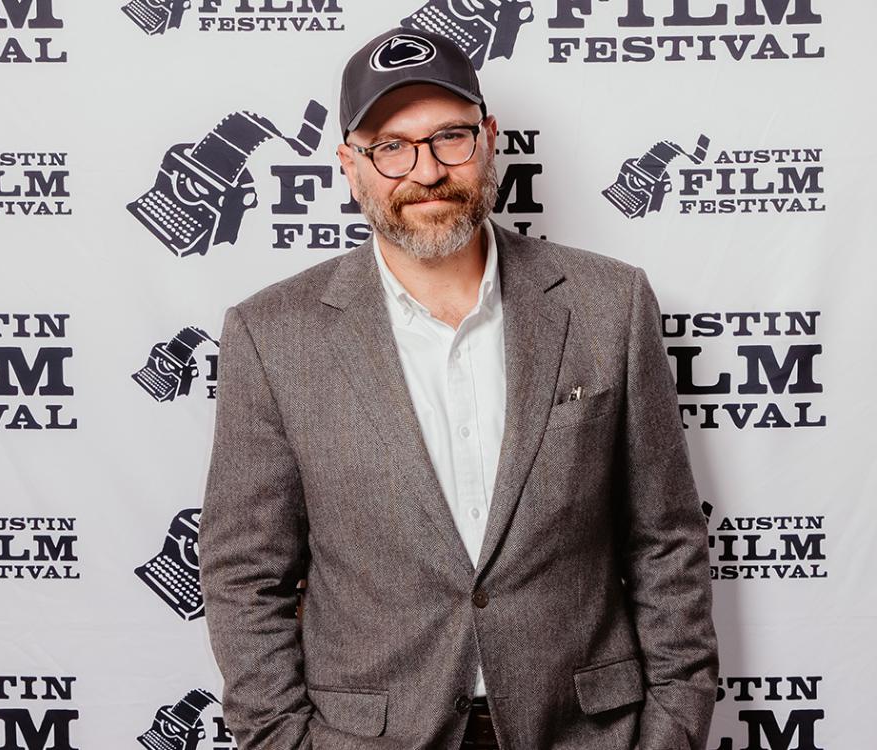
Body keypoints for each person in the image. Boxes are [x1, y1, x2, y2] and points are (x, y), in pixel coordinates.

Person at [198, 26, 718, 750]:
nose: (427, 170)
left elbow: (666, 543)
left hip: (586, 732)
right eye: (391, 146)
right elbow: (244, 575)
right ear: (350, 166)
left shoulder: (610, 304)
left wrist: (671, 731)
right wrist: (283, 739)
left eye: (450, 137)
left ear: (489, 140)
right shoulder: (271, 334)